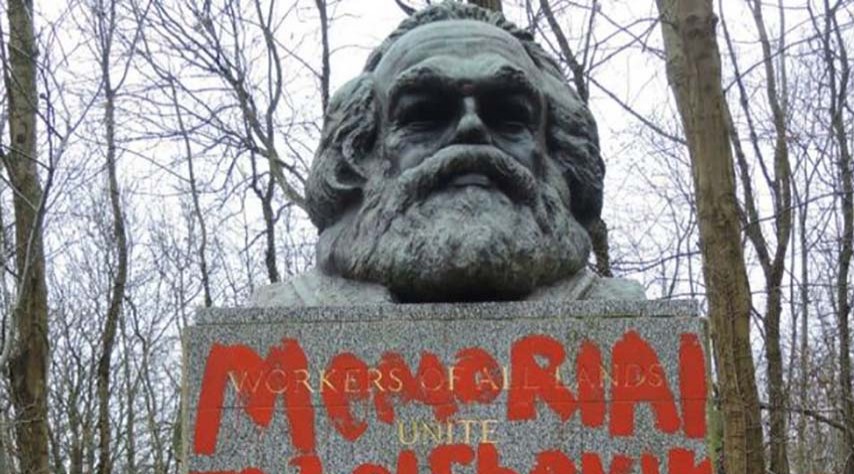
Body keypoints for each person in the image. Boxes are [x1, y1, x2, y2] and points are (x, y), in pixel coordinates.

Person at [254, 1, 642, 306]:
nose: (470, 128)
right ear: (360, 153)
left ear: (556, 151)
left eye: (508, 116)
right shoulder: (276, 323)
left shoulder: (625, 318)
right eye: (424, 114)